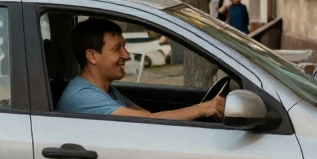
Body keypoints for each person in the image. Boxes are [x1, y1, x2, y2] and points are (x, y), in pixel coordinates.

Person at [56, 18, 225, 120]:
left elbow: (145, 114)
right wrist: (203, 108)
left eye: (124, 47)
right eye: (117, 49)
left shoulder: (107, 90)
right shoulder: (84, 97)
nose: (127, 55)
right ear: (92, 56)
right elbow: (150, 120)